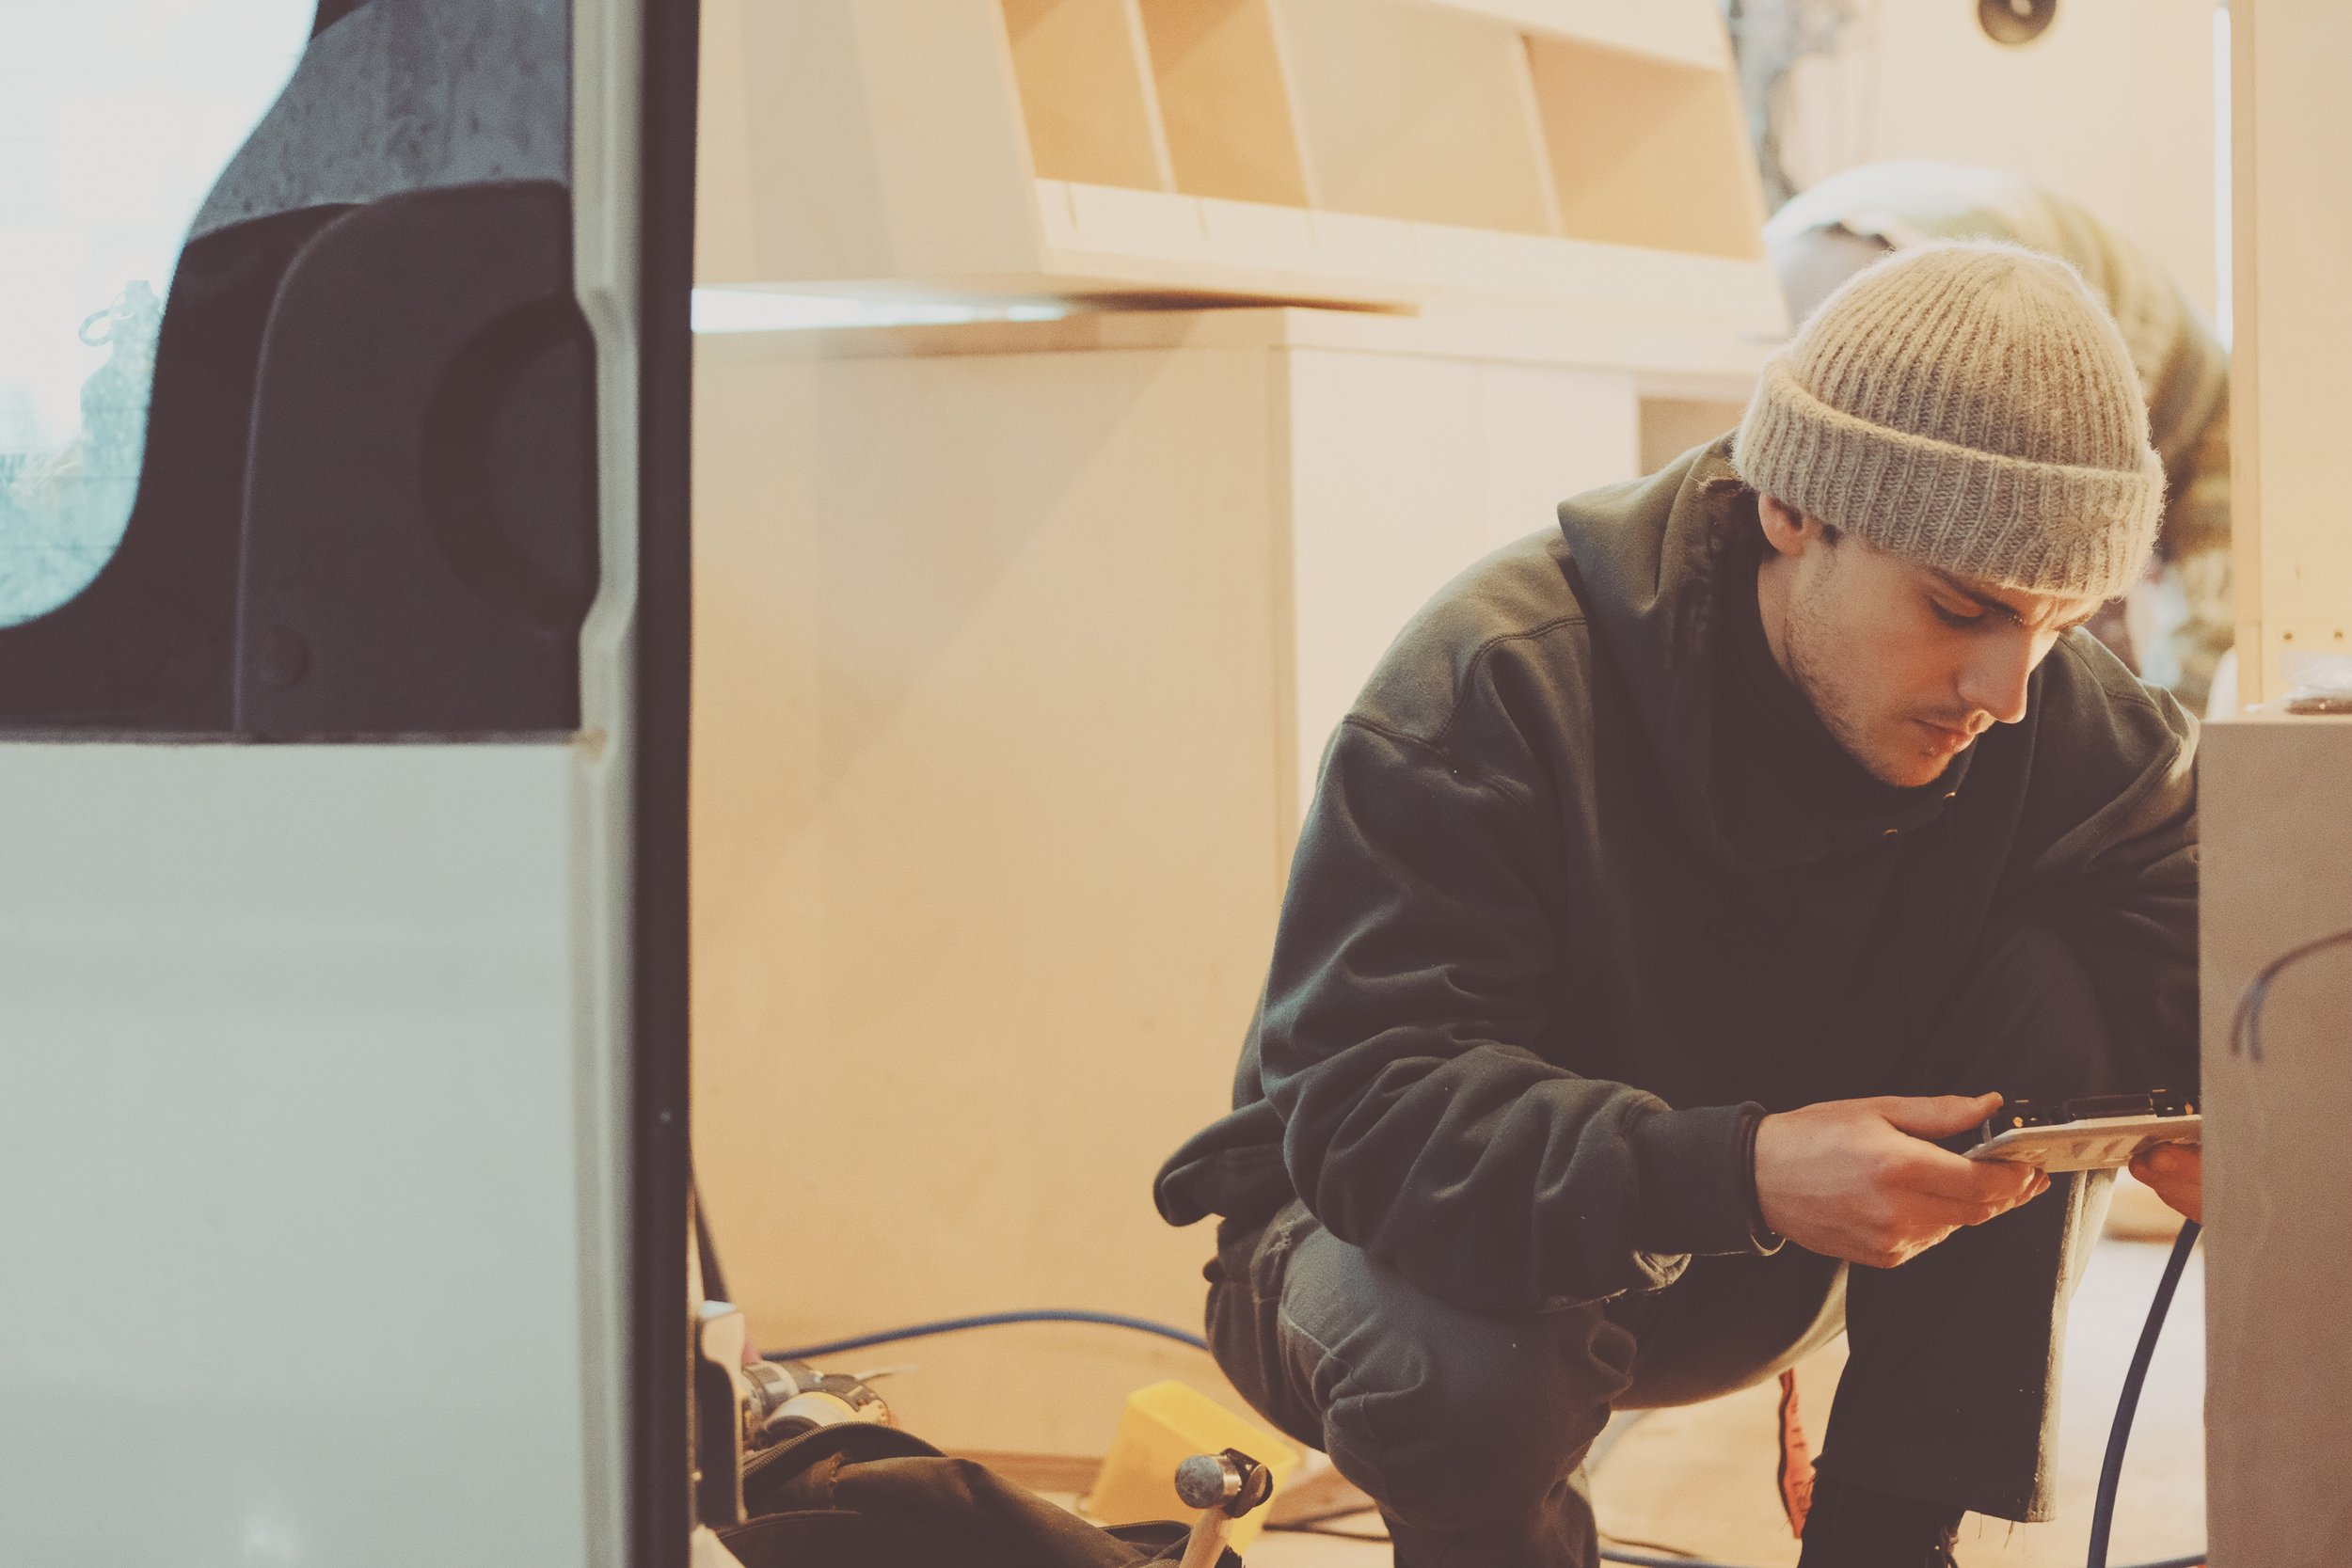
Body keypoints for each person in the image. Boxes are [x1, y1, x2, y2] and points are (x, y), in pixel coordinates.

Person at [1152, 243, 2201, 1568]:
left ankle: (1886, 1543)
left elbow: (2230, 958)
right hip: (1411, 1244)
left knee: (2078, 977)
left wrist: (2253, 1127)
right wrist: (1740, 1166)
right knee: (1466, 1369)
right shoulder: (1499, 678)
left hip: (1779, 1244)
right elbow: (1369, 1113)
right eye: (1961, 609)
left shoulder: (2046, 715)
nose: (2003, 687)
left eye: (2058, 624)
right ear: (1792, 510)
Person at [1768, 161, 2233, 716]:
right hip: (1923, 257)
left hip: (1804, 240)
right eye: (1956, 611)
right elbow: (2198, 665)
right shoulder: (2225, 454)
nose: (2008, 705)